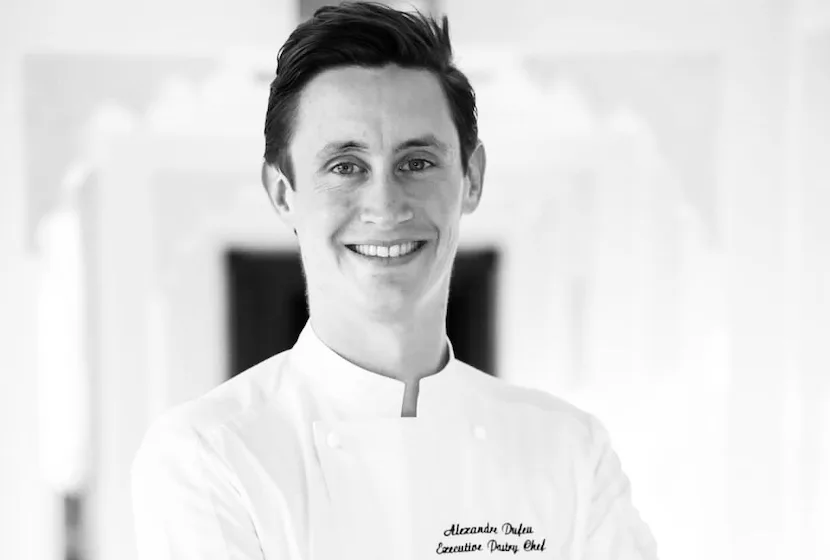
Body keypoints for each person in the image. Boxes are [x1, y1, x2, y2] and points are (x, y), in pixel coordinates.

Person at [130, 3, 658, 559]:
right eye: (345, 166)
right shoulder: (209, 454)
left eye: (417, 162)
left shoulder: (569, 453)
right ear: (284, 194)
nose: (385, 205)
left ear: (471, 178)